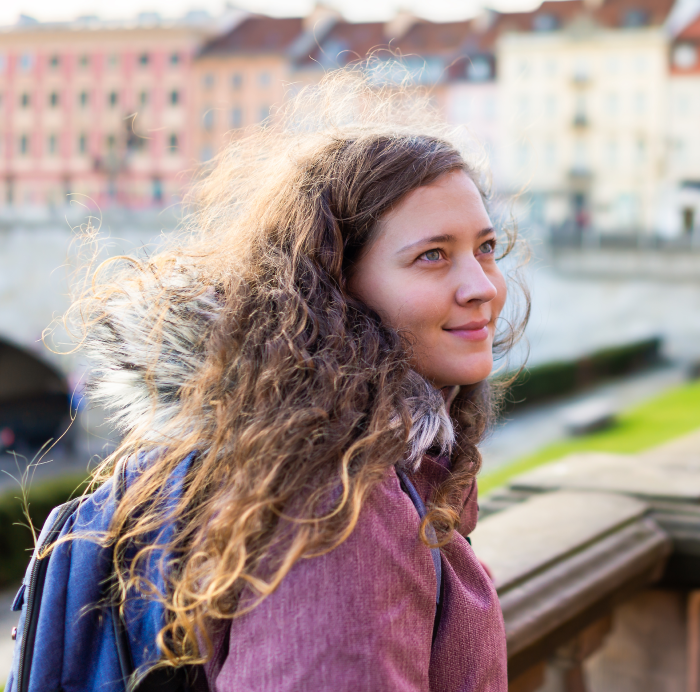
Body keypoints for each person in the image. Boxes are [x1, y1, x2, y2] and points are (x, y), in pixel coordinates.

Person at [73, 70, 519, 690]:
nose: (483, 286)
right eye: (433, 255)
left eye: (487, 246)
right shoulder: (337, 504)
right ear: (337, 289)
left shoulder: (353, 458)